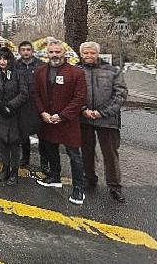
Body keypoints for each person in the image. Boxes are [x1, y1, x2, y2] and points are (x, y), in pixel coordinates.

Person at [33, 39, 87, 205]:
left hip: (67, 122)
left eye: (58, 52)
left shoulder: (76, 72)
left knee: (74, 155)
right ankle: (55, 177)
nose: (55, 55)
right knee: (51, 150)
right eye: (51, 52)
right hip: (47, 120)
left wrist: (62, 115)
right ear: (47, 54)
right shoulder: (40, 71)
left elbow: (80, 98)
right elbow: (35, 94)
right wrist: (42, 112)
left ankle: (78, 187)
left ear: (64, 53)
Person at [78, 41, 128, 203]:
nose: (89, 55)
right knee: (86, 151)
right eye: (86, 53)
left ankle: (114, 186)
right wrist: (83, 110)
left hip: (107, 120)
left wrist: (102, 112)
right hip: (84, 118)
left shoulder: (112, 70)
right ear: (81, 54)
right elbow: (73, 94)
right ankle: (89, 179)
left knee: (110, 154)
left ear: (97, 53)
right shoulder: (77, 70)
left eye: (92, 52)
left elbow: (120, 94)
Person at [0, 48, 28, 185]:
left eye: (5, 58)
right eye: (0, 59)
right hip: (0, 114)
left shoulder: (18, 74)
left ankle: (14, 172)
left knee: (14, 144)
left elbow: (23, 93)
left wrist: (10, 106)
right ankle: (5, 168)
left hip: (14, 114)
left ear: (9, 59)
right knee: (2, 143)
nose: (2, 61)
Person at [15, 41, 45, 169]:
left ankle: (44, 162)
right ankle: (25, 159)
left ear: (32, 51)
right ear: (19, 51)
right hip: (22, 105)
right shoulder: (15, 65)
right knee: (23, 134)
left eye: (28, 49)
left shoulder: (41, 65)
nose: (26, 52)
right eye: (23, 50)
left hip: (38, 104)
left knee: (42, 135)